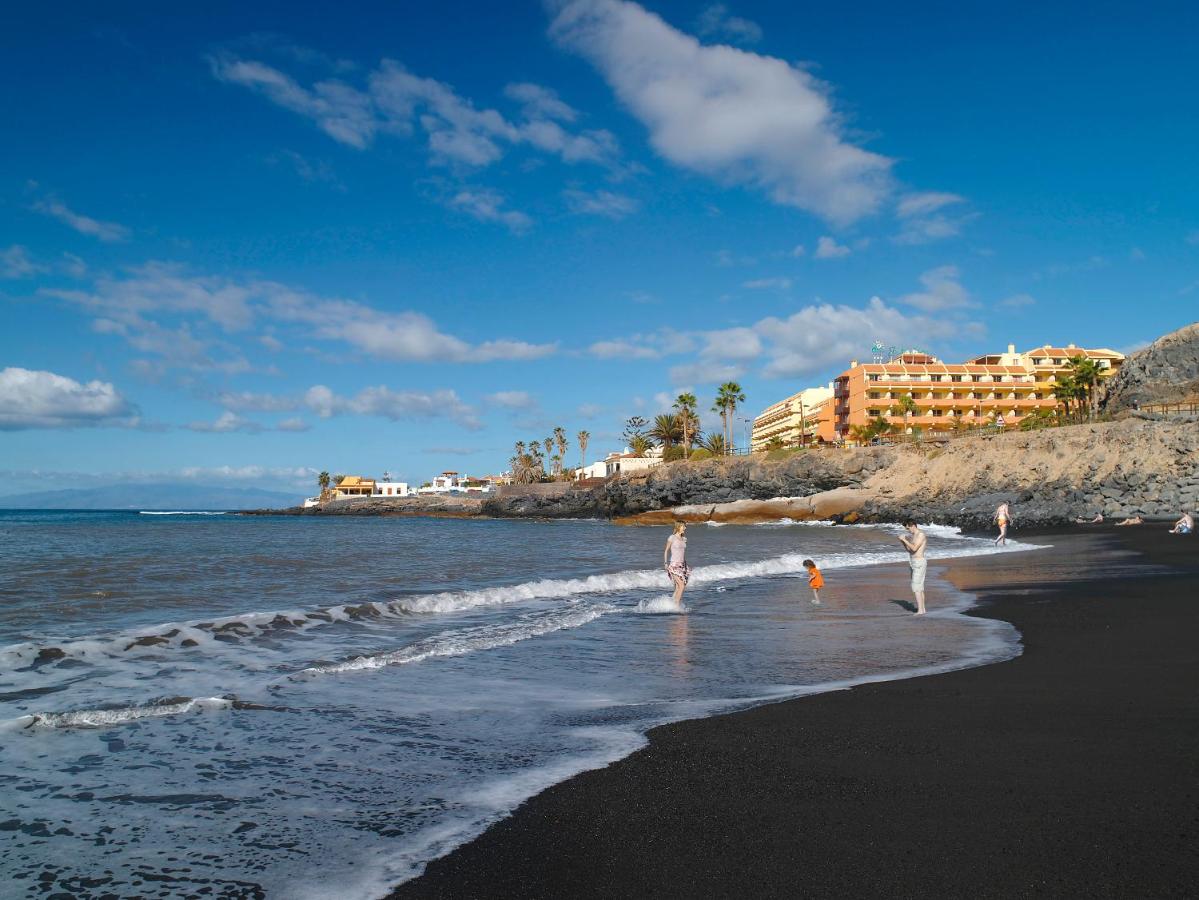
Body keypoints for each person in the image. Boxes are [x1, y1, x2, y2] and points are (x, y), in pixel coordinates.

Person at [898, 519, 928, 615]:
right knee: (919, 587)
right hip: (913, 562)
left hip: (919, 562)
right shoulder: (914, 535)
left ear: (913, 525)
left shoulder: (920, 535)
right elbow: (910, 550)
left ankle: (920, 610)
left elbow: (914, 548)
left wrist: (904, 539)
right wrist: (903, 541)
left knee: (916, 587)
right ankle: (922, 609)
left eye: (908, 528)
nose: (908, 530)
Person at [664, 522, 690, 608]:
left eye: (685, 526)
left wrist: (685, 565)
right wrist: (665, 563)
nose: (685, 528)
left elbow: (682, 553)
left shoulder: (684, 539)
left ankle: (672, 603)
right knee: (681, 585)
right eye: (683, 526)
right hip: (674, 565)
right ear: (678, 527)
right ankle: (677, 606)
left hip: (682, 565)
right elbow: (666, 551)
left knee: (679, 586)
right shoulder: (672, 537)